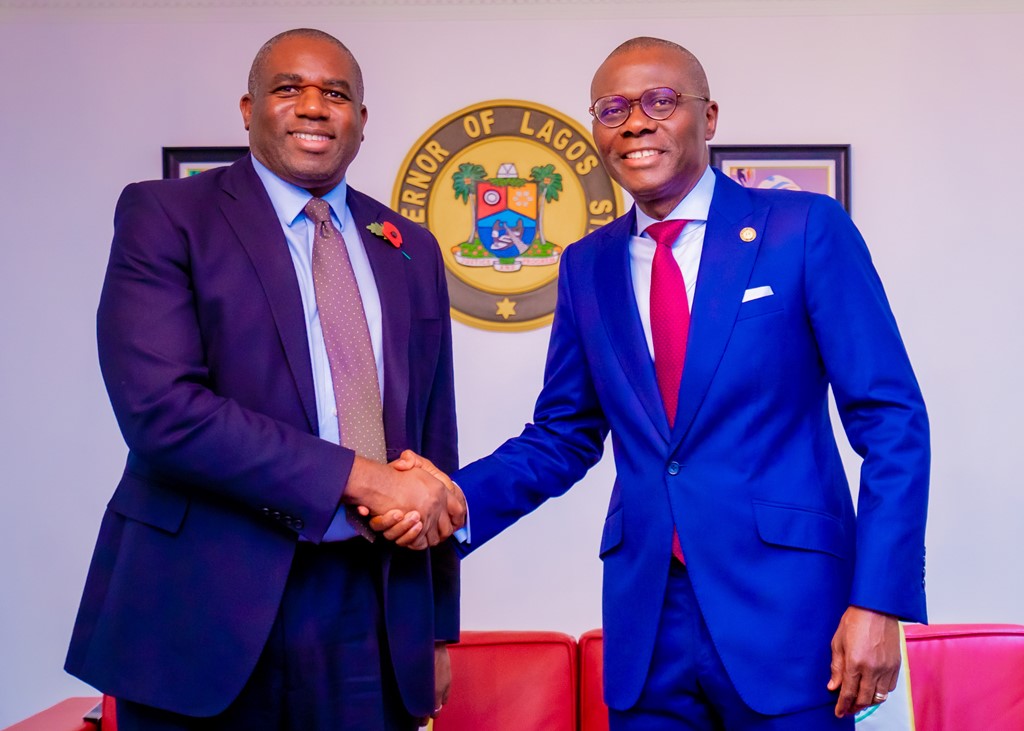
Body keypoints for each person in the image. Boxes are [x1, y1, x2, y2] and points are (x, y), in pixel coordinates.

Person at [380, 36, 929, 730]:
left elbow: (893, 422)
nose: (634, 121)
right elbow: (563, 434)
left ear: (710, 116)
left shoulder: (803, 229)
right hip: (647, 625)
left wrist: (877, 601)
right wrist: (452, 500)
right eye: (612, 108)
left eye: (659, 101)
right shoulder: (587, 264)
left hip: (792, 621)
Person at [65, 28, 464, 731]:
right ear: (249, 110)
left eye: (336, 94)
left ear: (362, 122)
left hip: (372, 609)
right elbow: (164, 413)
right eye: (289, 89)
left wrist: (435, 627)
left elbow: (434, 442)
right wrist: (362, 478)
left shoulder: (409, 246)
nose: (314, 106)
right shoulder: (166, 216)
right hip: (201, 608)